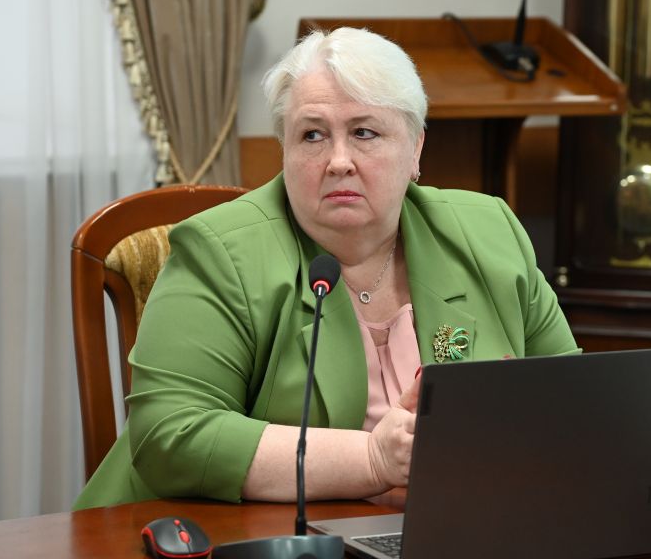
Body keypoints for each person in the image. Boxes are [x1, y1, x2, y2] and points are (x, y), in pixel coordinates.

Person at [74, 27, 578, 509]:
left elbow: (574, 404)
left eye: (364, 132)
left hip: (451, 532)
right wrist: (372, 459)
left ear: (416, 149)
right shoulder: (220, 251)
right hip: (230, 546)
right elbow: (171, 434)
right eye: (312, 135)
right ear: (285, 150)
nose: (339, 161)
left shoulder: (488, 234)